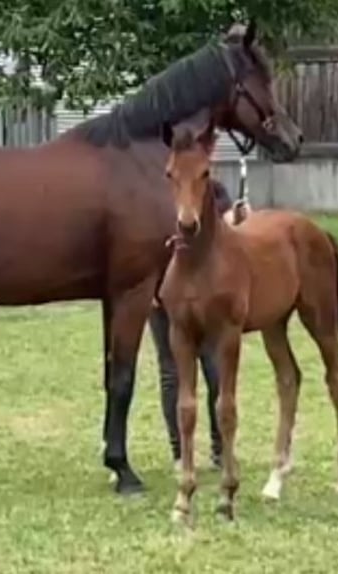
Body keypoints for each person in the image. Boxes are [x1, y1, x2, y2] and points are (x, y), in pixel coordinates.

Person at [149, 178, 234, 471]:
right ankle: (179, 452)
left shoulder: (212, 191)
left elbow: (223, 233)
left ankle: (220, 448)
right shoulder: (151, 192)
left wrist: (235, 219)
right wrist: (147, 285)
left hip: (205, 293)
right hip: (164, 293)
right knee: (172, 373)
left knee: (214, 369)